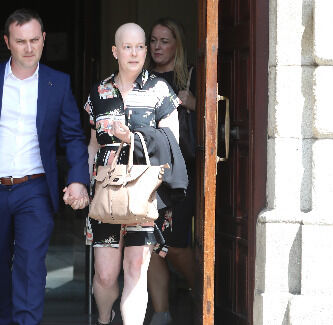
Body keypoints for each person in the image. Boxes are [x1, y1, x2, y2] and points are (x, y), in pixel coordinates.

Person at [0, 9, 90, 325]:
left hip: (35, 188)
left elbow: (73, 137)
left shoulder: (58, 83)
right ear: (7, 42)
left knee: (30, 263)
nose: (29, 48)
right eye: (21, 41)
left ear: (43, 40)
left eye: (35, 40)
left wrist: (79, 178)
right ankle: (3, 318)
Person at [84, 23, 185, 325]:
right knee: (104, 274)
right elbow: (91, 146)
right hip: (106, 195)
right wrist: (85, 186)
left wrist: (133, 138)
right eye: (127, 47)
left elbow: (172, 144)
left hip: (144, 196)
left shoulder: (160, 91)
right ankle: (105, 318)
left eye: (140, 46)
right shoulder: (100, 93)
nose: (135, 52)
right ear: (115, 51)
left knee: (135, 269)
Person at [146, 17, 197, 325]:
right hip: (147, 172)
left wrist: (193, 104)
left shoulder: (191, 77)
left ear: (177, 44)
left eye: (164, 41)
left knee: (176, 245)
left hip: (181, 173)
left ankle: (200, 291)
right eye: (153, 40)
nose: (157, 47)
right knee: (150, 245)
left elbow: (218, 117)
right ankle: (162, 313)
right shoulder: (142, 77)